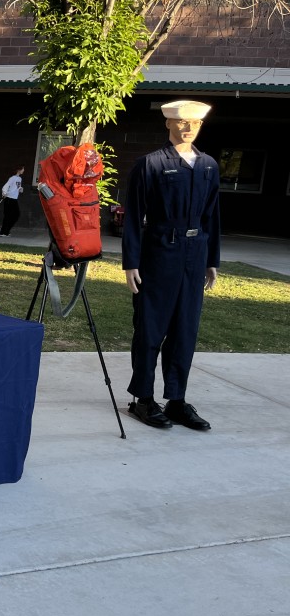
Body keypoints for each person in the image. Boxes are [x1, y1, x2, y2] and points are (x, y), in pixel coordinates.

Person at [122, 100, 220, 431]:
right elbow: (133, 217)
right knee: (150, 327)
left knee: (185, 329)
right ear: (168, 124)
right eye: (181, 122)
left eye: (195, 122)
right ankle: (143, 399)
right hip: (159, 251)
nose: (188, 127)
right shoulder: (149, 164)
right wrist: (131, 262)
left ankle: (176, 400)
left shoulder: (208, 166)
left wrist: (211, 260)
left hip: (195, 254)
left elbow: (212, 217)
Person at [0, 166, 24, 236]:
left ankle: (7, 230)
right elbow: (6, 186)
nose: (23, 170)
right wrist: (4, 193)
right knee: (7, 216)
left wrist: (20, 189)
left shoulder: (19, 179)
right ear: (18, 170)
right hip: (9, 198)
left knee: (16, 215)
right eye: (22, 169)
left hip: (14, 199)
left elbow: (17, 187)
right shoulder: (12, 178)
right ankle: (3, 232)